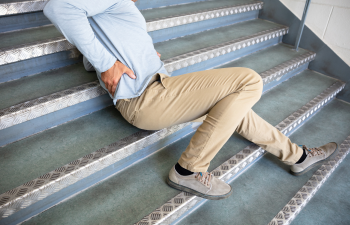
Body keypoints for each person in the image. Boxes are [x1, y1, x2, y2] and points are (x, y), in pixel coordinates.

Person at [43, 0, 337, 200]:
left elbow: (97, 46)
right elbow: (58, 7)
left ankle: (298, 156)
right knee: (248, 81)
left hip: (160, 90)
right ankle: (188, 170)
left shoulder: (113, 8)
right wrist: (107, 64)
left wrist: (141, 55)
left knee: (235, 107)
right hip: (146, 97)